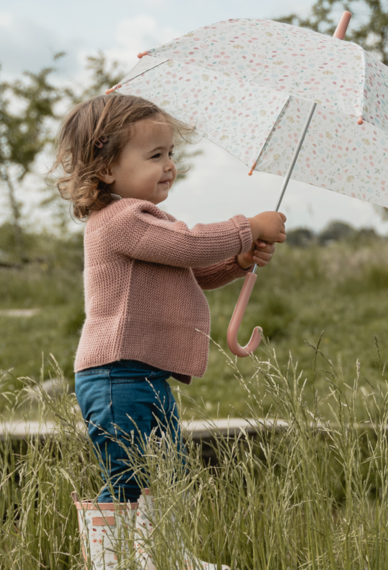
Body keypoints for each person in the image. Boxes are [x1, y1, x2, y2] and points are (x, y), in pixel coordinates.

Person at [54, 93, 286, 569]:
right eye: (155, 155)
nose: (169, 165)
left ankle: (165, 556)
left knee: (168, 469)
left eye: (170, 154)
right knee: (129, 474)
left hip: (142, 376)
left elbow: (189, 270)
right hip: (117, 375)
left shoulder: (146, 221)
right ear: (105, 169)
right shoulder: (120, 220)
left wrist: (237, 262)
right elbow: (190, 244)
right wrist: (247, 227)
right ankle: (112, 563)